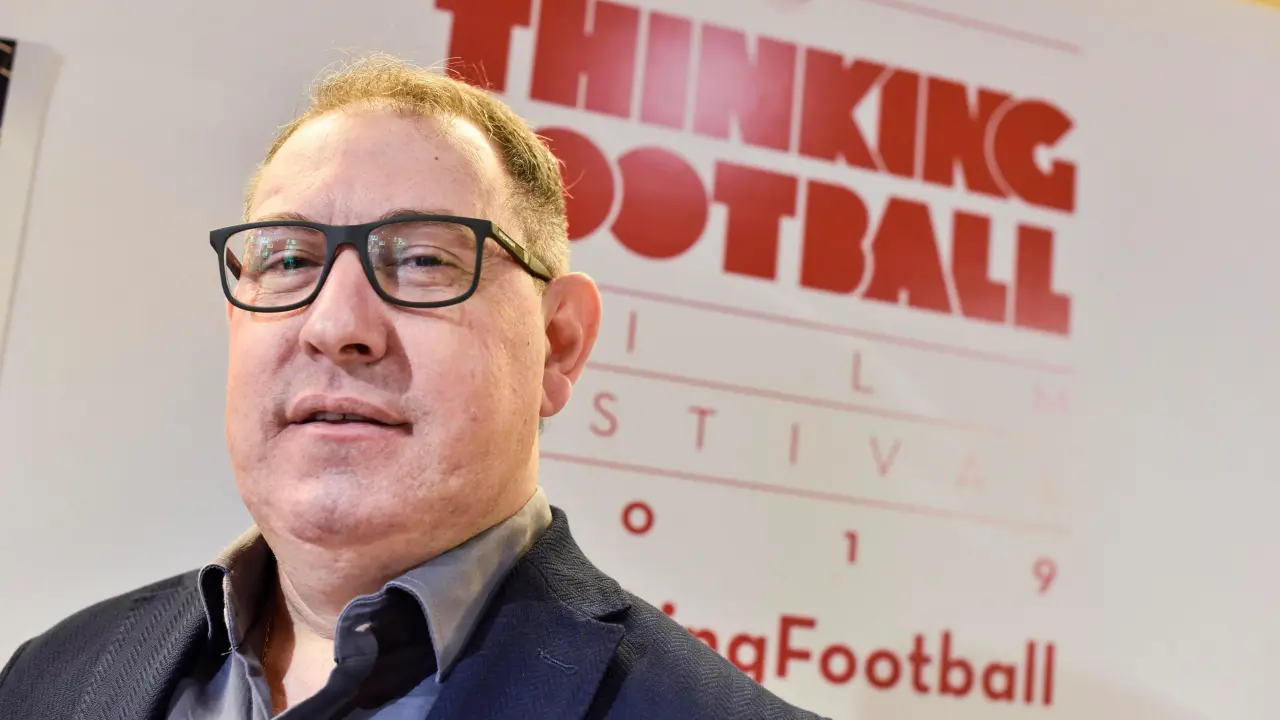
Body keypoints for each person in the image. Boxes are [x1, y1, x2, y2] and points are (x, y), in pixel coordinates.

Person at [0, 55, 823, 719]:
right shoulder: (46, 677)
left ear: (558, 345)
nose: (334, 324)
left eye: (425, 259)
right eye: (288, 260)